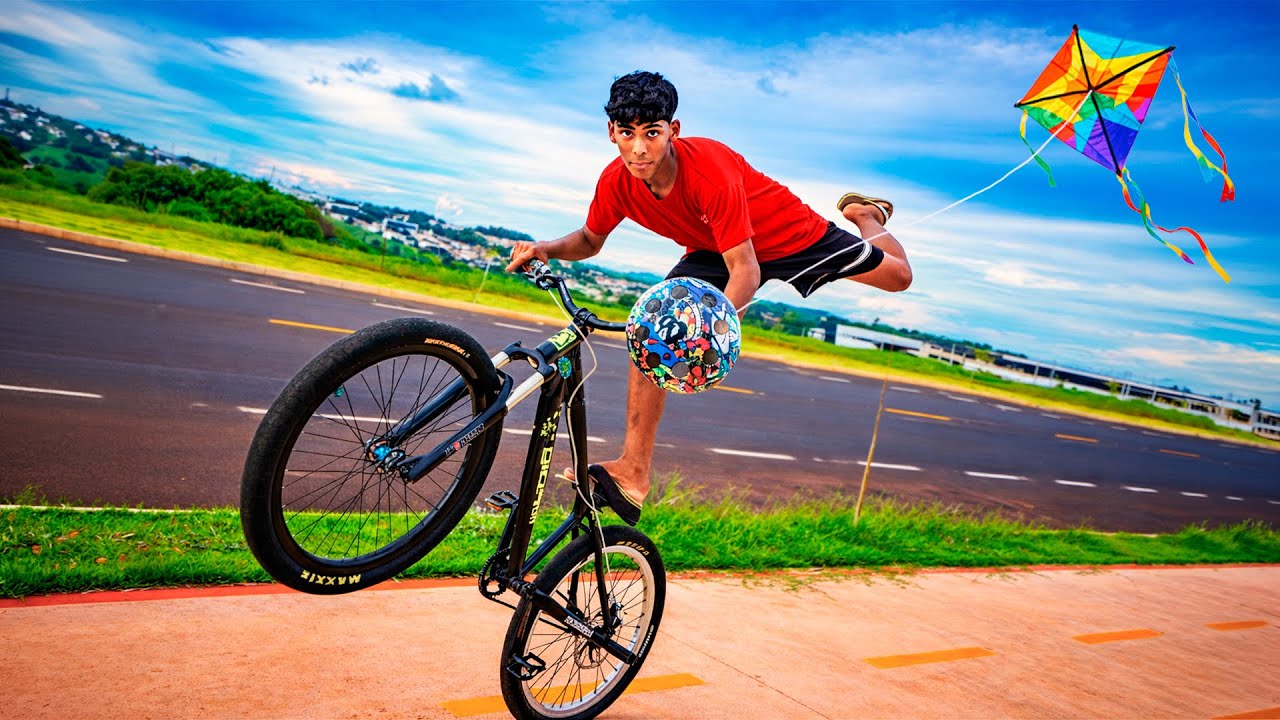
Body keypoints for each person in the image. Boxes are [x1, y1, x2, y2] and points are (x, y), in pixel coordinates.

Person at [506, 70, 912, 526]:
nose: (640, 148)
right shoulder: (616, 181)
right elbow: (588, 240)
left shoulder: (709, 172)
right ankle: (633, 474)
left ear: (673, 131)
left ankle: (867, 214)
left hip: (789, 236)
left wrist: (713, 337)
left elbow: (747, 271)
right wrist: (545, 248)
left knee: (898, 276)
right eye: (628, 134)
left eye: (652, 133)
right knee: (652, 333)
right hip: (714, 249)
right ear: (612, 133)